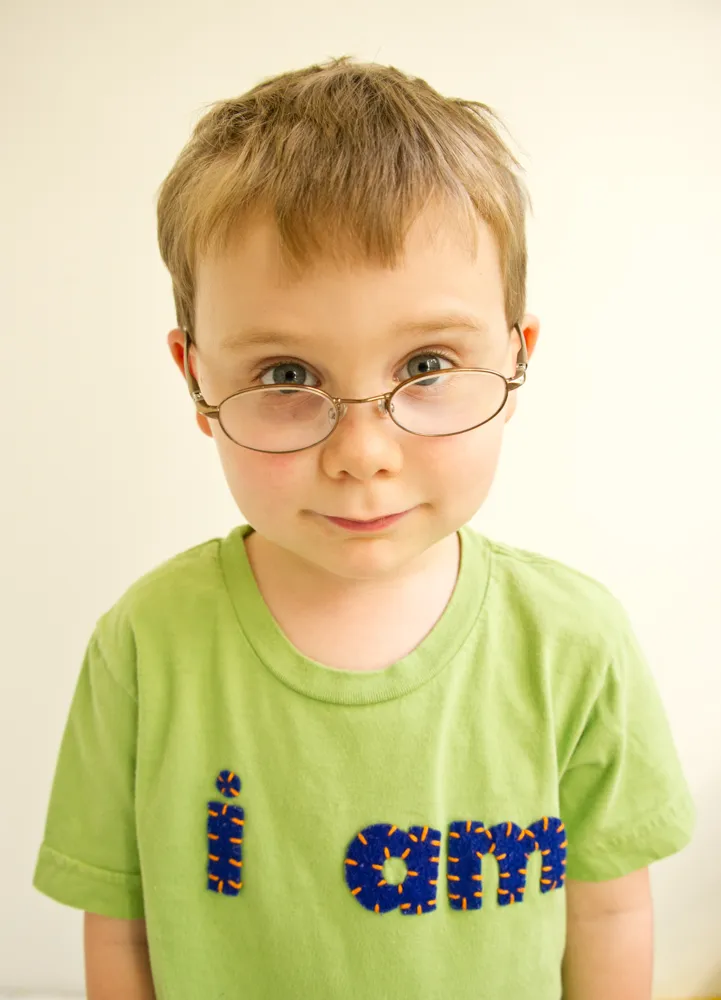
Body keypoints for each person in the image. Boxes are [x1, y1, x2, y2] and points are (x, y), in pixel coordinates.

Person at [32, 55, 695, 1000]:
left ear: (516, 360)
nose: (362, 452)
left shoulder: (574, 643)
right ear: (195, 377)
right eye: (286, 376)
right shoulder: (146, 646)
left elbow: (609, 913)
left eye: (425, 365)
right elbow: (121, 929)